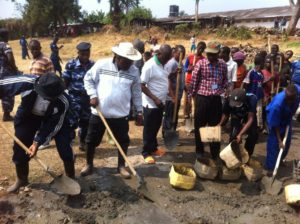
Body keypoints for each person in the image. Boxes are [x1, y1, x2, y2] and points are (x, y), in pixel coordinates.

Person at [81, 42, 143, 178]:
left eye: (131, 61)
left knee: (123, 141)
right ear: (117, 56)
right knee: (91, 141)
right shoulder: (102, 64)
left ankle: (121, 166)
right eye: (126, 61)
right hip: (100, 113)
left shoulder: (134, 71)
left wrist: (139, 111)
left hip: (120, 115)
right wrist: (93, 95)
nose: (129, 64)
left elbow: (137, 92)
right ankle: (89, 164)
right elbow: (88, 79)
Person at [6, 73, 76, 192]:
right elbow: (3, 85)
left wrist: (37, 142)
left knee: (64, 146)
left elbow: (53, 125)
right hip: (28, 116)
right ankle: (21, 179)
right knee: (20, 145)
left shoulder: (63, 101)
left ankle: (71, 178)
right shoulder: (27, 83)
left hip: (54, 119)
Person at [189, 41, 228, 160]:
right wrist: (192, 96)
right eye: (209, 54)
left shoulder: (222, 65)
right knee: (199, 126)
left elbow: (225, 80)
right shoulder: (200, 64)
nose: (211, 57)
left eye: (214, 55)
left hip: (216, 100)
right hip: (202, 99)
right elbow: (194, 82)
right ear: (206, 54)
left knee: (214, 127)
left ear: (218, 54)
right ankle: (199, 150)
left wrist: (225, 88)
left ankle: (214, 152)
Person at [141, 44, 173, 164]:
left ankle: (153, 148)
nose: (166, 60)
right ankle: (145, 152)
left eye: (168, 58)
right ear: (158, 54)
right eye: (165, 58)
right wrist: (155, 99)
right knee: (149, 129)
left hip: (161, 103)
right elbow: (142, 85)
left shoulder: (165, 64)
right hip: (151, 103)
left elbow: (165, 79)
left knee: (156, 127)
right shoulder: (149, 65)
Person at [62, 42, 94, 151]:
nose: (85, 57)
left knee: (86, 122)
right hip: (74, 99)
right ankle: (69, 146)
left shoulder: (93, 65)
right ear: (78, 53)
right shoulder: (71, 65)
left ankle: (82, 141)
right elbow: (65, 81)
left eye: (87, 54)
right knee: (71, 122)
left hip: (87, 99)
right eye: (83, 54)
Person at [265, 84, 300, 173]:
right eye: (287, 99)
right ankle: (270, 168)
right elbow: (275, 124)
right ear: (285, 93)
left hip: (287, 118)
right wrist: (280, 140)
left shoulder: (296, 91)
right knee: (274, 145)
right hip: (275, 120)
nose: (289, 101)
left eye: (291, 99)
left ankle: (280, 159)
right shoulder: (277, 104)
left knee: (287, 143)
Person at [219, 88, 258, 156]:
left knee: (253, 135)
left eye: (238, 104)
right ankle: (232, 155)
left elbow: (250, 119)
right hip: (236, 115)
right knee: (234, 136)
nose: (235, 105)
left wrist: (240, 134)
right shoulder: (228, 99)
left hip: (248, 115)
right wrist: (219, 124)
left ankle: (247, 155)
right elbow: (226, 114)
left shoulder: (252, 99)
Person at [162, 45, 186, 137]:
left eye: (183, 54)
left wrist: (184, 87)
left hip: (178, 95)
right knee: (169, 116)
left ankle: (172, 133)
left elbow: (180, 78)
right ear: (174, 53)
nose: (182, 56)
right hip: (171, 96)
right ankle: (166, 135)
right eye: (180, 53)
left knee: (174, 116)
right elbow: (167, 79)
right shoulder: (171, 63)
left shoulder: (180, 63)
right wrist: (172, 96)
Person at [183, 41, 206, 119]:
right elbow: (184, 68)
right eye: (199, 48)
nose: (200, 50)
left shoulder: (204, 60)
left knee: (197, 99)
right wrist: (188, 69)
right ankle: (187, 113)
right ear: (197, 47)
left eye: (202, 49)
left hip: (198, 83)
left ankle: (197, 114)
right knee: (187, 99)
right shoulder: (190, 57)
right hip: (189, 81)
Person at [243, 54, 265, 130]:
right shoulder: (251, 72)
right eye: (263, 62)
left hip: (259, 95)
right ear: (260, 63)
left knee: (259, 111)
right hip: (251, 95)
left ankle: (258, 126)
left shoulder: (261, 73)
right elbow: (245, 83)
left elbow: (261, 84)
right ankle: (248, 125)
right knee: (251, 111)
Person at [0, 28, 18, 121]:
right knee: (8, 93)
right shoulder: (6, 45)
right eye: (7, 35)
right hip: (6, 74)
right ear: (5, 36)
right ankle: (6, 115)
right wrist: (15, 69)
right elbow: (10, 58)